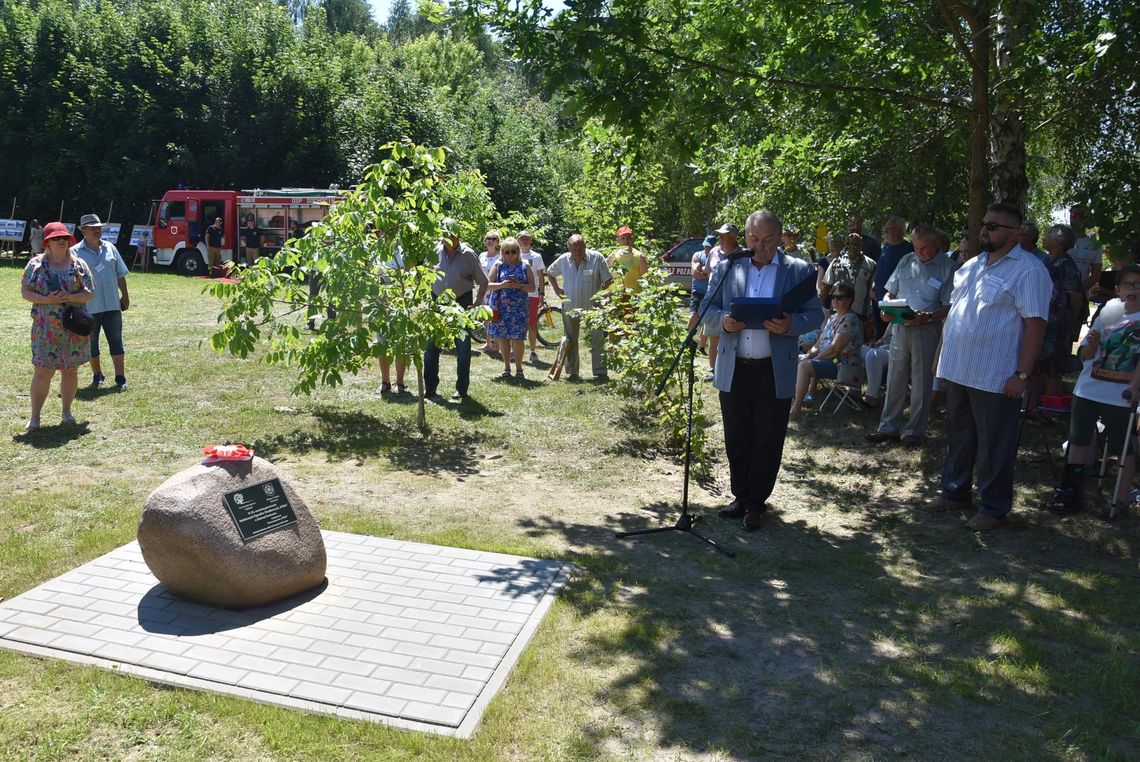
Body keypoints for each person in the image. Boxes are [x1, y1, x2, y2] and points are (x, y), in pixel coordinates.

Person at [932, 202, 1052, 531]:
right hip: (959, 368)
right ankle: (954, 492)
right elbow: (956, 314)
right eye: (984, 224)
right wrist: (941, 355)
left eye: (994, 226)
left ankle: (994, 507)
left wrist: (1022, 374)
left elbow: (1036, 325)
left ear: (1015, 234)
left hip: (996, 375)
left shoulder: (1029, 270)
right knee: (958, 435)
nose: (985, 230)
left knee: (994, 444)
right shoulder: (970, 266)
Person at [703, 210, 824, 531]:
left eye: (768, 240)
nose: (760, 247)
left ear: (780, 237)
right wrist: (724, 321)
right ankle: (740, 496)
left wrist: (790, 325)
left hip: (774, 370)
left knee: (767, 439)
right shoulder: (728, 266)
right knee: (737, 437)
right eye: (753, 239)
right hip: (735, 368)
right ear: (745, 238)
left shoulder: (798, 270)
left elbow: (815, 315)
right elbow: (707, 309)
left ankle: (756, 503)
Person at [1052, 264, 1140, 516]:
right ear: (1118, 289)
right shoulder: (1107, 313)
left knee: (1123, 447)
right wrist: (1090, 343)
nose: (1132, 288)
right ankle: (1070, 492)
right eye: (1127, 284)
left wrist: (1135, 387)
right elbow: (1085, 353)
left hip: (1120, 395)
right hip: (1088, 388)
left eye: (1138, 284)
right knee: (1078, 441)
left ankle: (1120, 500)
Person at [866, 224, 956, 445]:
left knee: (921, 380)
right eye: (916, 247)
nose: (919, 252)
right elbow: (889, 291)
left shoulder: (947, 267)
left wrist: (926, 316)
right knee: (895, 376)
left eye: (924, 248)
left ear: (936, 245)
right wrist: (887, 305)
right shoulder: (907, 260)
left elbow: (950, 306)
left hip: (926, 328)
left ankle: (914, 431)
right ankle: (888, 427)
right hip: (899, 326)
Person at [21, 222, 95, 429]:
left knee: (70, 371)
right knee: (43, 372)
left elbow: (89, 292)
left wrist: (70, 297)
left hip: (72, 329)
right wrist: (47, 300)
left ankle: (67, 413)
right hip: (45, 329)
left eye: (64, 237)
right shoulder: (35, 265)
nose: (61, 240)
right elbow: (25, 292)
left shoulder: (79, 265)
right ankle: (35, 418)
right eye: (55, 238)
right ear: (47, 242)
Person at [424, 220, 488, 401]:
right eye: (446, 234)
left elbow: (483, 281)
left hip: (461, 302)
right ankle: (430, 388)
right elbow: (426, 275)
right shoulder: (434, 251)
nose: (449, 238)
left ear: (459, 236)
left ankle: (461, 390)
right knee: (431, 347)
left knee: (463, 348)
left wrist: (477, 303)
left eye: (453, 234)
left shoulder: (468, 255)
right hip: (437, 303)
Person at [1026, 224, 1083, 414]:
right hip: (1044, 319)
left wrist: (1071, 320)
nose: (1045, 238)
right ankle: (1032, 407)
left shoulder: (1066, 263)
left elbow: (1075, 295)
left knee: (1052, 367)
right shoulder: (1048, 260)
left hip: (1057, 323)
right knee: (1037, 364)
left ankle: (1049, 410)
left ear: (1058, 241)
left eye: (1049, 235)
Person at [71, 213, 130, 391]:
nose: (97, 230)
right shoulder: (74, 252)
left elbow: (120, 273)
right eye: (93, 228)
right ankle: (97, 375)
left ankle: (120, 377)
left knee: (116, 340)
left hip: (112, 304)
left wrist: (125, 296)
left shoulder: (110, 248)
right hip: (89, 307)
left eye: (99, 227)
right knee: (91, 343)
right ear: (83, 231)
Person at [789, 282, 862, 419]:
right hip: (828, 360)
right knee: (795, 359)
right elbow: (819, 343)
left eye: (839, 297)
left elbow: (834, 349)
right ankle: (794, 398)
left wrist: (813, 359)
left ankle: (796, 408)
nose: (834, 300)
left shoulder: (850, 320)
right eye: (833, 296)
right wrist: (807, 355)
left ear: (849, 300)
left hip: (841, 364)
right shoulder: (833, 318)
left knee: (805, 366)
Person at [546, 234, 613, 380]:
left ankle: (600, 372)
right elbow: (550, 272)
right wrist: (557, 290)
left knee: (597, 338)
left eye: (580, 248)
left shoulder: (597, 258)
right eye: (574, 249)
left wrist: (603, 296)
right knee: (570, 339)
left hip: (593, 308)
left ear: (585, 245)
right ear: (569, 248)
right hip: (570, 306)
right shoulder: (564, 259)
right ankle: (572, 372)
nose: (577, 252)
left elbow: (608, 279)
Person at [487, 237, 533, 379]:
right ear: (502, 252)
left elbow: (532, 287)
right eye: (507, 252)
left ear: (518, 251)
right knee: (503, 338)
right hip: (501, 308)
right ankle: (506, 367)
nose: (510, 255)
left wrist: (519, 285)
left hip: (519, 308)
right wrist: (503, 285)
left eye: (513, 251)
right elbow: (488, 285)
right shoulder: (498, 265)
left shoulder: (525, 265)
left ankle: (519, 369)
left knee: (518, 338)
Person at [704, 223, 742, 381]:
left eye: (724, 236)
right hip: (713, 300)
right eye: (720, 235)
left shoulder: (743, 254)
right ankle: (713, 370)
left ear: (734, 238)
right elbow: (708, 272)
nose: (720, 238)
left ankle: (731, 371)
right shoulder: (713, 252)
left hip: (732, 300)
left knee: (732, 338)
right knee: (713, 337)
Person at [821, 232, 877, 327]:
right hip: (837, 313)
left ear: (861, 246)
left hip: (859, 314)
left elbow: (873, 291)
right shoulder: (837, 262)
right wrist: (821, 308)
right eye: (849, 244)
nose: (852, 247)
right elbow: (826, 286)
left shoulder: (870, 264)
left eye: (856, 244)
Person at [518, 231, 546, 364]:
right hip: (517, 295)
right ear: (518, 240)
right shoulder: (513, 254)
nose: (525, 241)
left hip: (532, 295)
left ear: (531, 241)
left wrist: (541, 294)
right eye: (522, 239)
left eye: (527, 239)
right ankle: (515, 351)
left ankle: (533, 351)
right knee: (517, 323)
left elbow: (541, 277)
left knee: (532, 324)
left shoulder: (536, 256)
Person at [688, 234, 717, 353]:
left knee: (706, 321)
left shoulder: (717, 257)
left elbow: (715, 275)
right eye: (705, 246)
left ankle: (701, 346)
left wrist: (704, 271)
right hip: (698, 292)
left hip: (710, 293)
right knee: (694, 316)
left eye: (709, 247)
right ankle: (688, 336)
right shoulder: (697, 255)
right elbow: (696, 274)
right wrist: (707, 274)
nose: (707, 249)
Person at [477, 230, 502, 352]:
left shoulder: (500, 256)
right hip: (483, 291)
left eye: (493, 239)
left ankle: (496, 344)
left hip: (495, 290)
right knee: (486, 317)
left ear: (497, 242)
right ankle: (488, 343)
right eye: (488, 238)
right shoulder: (481, 255)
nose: (490, 241)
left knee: (495, 317)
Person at [608, 225, 648, 294]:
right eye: (623, 238)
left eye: (628, 238)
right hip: (617, 297)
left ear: (632, 239)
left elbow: (645, 279)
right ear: (618, 240)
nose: (626, 241)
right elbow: (607, 277)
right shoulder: (613, 255)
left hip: (634, 298)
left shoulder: (639, 256)